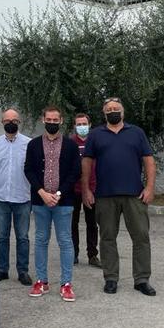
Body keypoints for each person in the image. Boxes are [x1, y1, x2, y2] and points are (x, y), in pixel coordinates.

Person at [81, 98, 157, 296]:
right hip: (105, 195)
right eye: (109, 109)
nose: (113, 111)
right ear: (104, 113)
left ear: (123, 112)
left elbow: (148, 161)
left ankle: (141, 279)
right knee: (107, 238)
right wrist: (86, 190)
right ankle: (111, 278)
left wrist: (149, 187)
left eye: (116, 109)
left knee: (141, 237)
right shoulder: (96, 134)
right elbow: (87, 163)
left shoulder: (137, 133)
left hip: (135, 194)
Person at [24, 106, 81, 301]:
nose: (52, 123)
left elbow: (75, 172)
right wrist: (41, 192)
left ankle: (66, 283)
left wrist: (58, 193)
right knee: (41, 240)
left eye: (55, 120)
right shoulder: (33, 145)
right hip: (40, 201)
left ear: (61, 121)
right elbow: (28, 170)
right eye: (49, 119)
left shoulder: (71, 145)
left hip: (63, 201)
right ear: (43, 120)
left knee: (65, 241)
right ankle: (42, 281)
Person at [0, 108, 32, 285]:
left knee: (23, 237)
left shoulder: (29, 144)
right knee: (1, 237)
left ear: (19, 122)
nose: (11, 123)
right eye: (7, 120)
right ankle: (2, 270)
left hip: (23, 197)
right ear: (2, 122)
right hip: (1, 198)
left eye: (14, 120)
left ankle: (23, 271)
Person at [70, 113, 100, 268]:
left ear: (90, 125)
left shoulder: (96, 142)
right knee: (72, 223)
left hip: (92, 189)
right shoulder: (69, 143)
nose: (81, 127)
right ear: (74, 126)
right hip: (73, 190)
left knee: (92, 223)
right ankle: (73, 253)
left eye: (84, 124)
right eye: (78, 124)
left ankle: (93, 255)